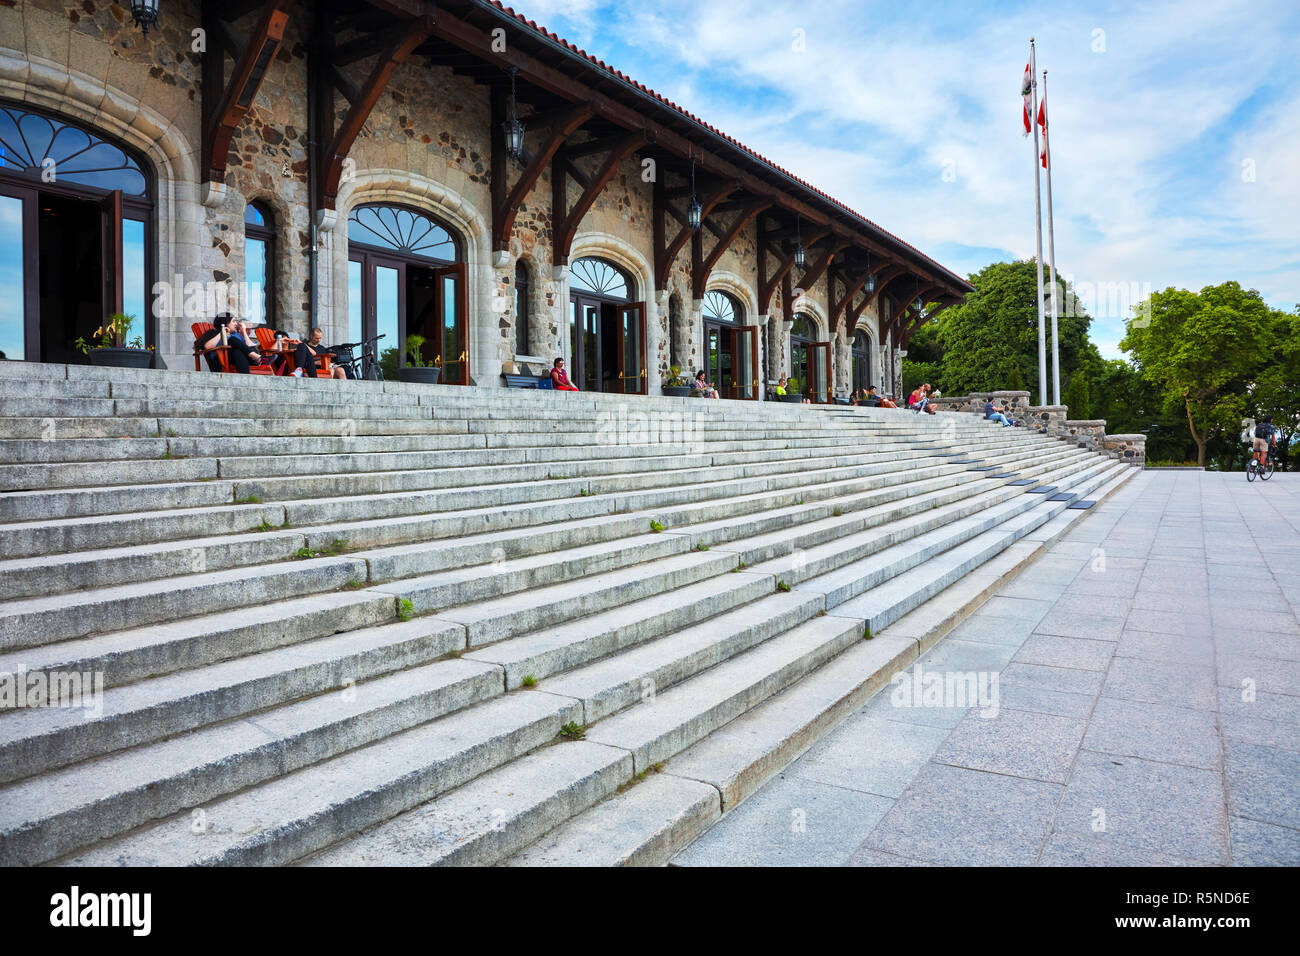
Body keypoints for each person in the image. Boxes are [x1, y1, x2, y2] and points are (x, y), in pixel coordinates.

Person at [198, 313, 266, 373]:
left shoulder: (237, 334)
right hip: (220, 361)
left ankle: (254, 363)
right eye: (233, 321)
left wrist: (244, 332)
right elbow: (207, 347)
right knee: (232, 341)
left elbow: (250, 346)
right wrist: (222, 332)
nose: (236, 323)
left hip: (241, 359)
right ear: (225, 323)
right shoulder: (214, 333)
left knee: (237, 350)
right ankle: (258, 358)